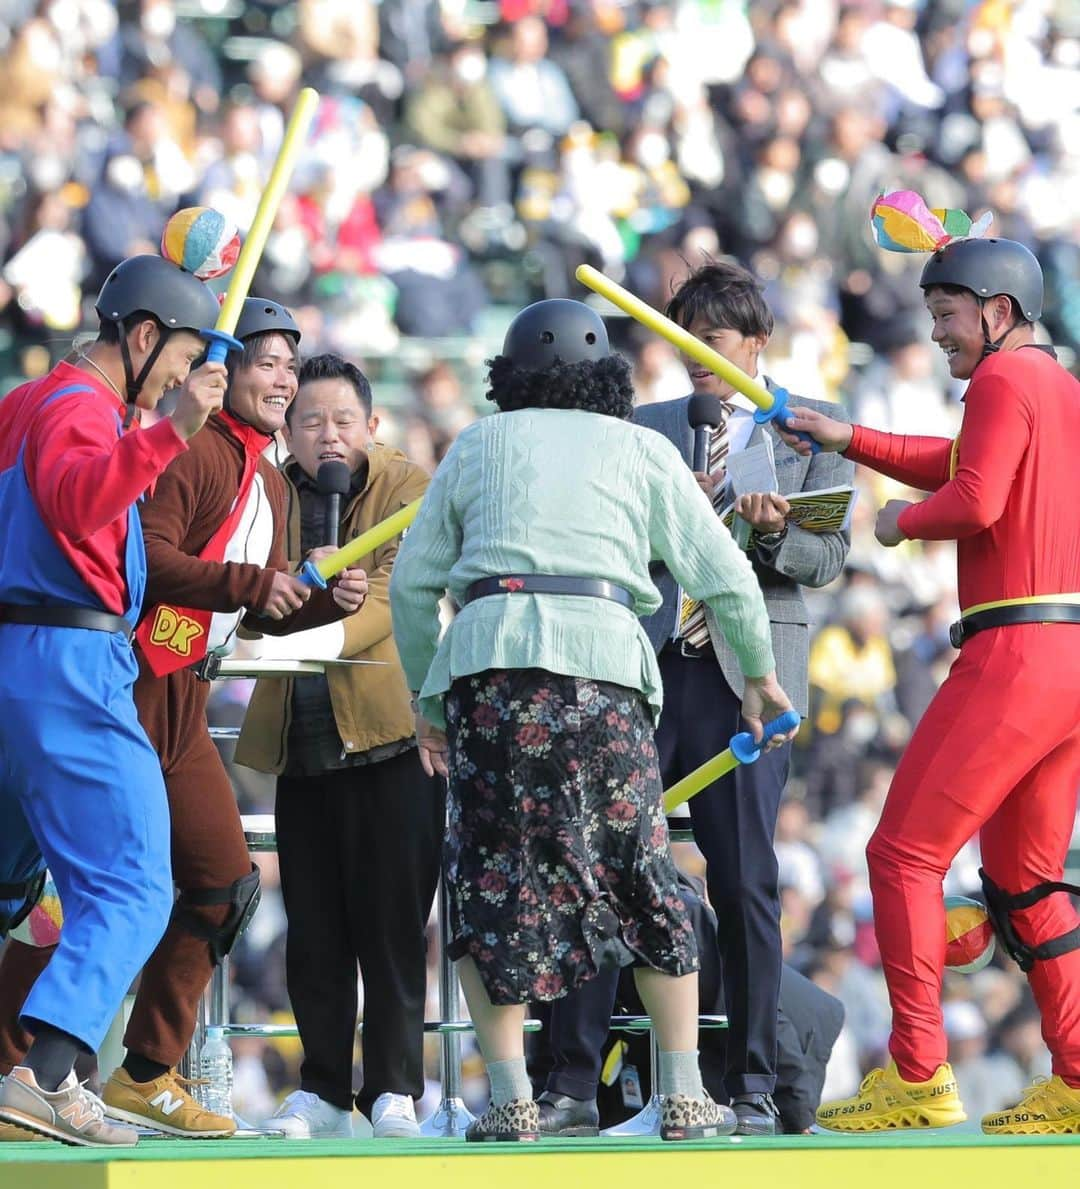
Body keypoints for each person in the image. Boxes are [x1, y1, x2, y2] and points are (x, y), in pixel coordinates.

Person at [389, 298, 797, 1142]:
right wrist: (758, 679)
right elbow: (726, 576)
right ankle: (684, 1092)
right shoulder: (644, 449)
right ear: (607, 378)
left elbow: (410, 586)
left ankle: (510, 1098)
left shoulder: (475, 446)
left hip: (490, 676)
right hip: (607, 675)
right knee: (639, 871)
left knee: (488, 881)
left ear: (507, 378)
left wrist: (430, 699)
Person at [0, 298, 367, 1140]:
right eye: (262, 361)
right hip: (121, 680)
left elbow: (247, 606)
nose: (279, 378)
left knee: (220, 882)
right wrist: (248, 582)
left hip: (171, 690)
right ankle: (37, 1067)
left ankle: (143, 1068)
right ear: (217, 371)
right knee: (90, 888)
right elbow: (144, 552)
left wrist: (307, 602)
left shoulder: (269, 479)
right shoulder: (179, 444)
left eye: (290, 364)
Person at [538, 260, 853, 1138]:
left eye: (711, 341)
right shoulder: (640, 428)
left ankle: (753, 1081)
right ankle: (570, 1078)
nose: (697, 360)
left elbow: (830, 563)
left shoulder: (810, 438)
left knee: (747, 877)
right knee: (603, 866)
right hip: (643, 669)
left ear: (757, 342)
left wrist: (778, 530)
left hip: (749, 682)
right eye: (681, 342)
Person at [783, 236, 1080, 1135]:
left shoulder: (998, 382)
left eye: (949, 313)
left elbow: (973, 495)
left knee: (902, 855)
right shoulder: (1055, 385)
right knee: (1027, 880)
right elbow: (962, 460)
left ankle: (917, 1075)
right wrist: (850, 437)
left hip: (1013, 653)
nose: (937, 330)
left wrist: (896, 523)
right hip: (1068, 656)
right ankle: (1075, 1076)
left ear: (998, 312)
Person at [0, 254, 224, 1146]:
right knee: (134, 882)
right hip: (70, 659)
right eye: (177, 358)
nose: (182, 378)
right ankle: (47, 1075)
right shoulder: (76, 409)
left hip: (18, 655)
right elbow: (80, 500)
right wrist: (171, 427)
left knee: (10, 886)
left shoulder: (23, 401)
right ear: (139, 336)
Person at [235, 354, 442, 1140]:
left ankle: (394, 1086)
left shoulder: (408, 487)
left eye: (343, 421)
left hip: (393, 730)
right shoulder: (267, 490)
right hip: (303, 735)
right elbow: (247, 598)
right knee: (314, 924)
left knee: (392, 921)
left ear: (372, 426)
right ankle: (320, 1084)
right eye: (311, 421)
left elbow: (392, 598)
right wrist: (302, 590)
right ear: (287, 430)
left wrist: (323, 611)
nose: (328, 435)